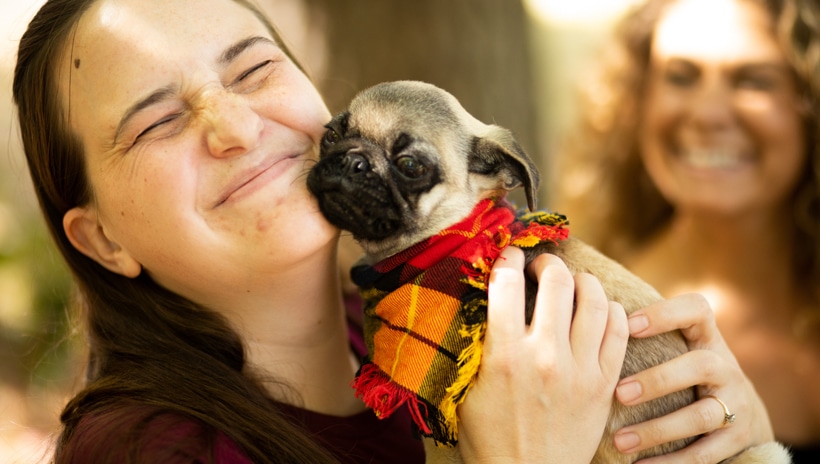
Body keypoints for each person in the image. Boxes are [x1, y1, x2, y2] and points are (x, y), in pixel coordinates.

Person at [12, 0, 777, 462]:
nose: (236, 125)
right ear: (102, 239)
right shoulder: (148, 452)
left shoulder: (407, 333)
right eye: (158, 121)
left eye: (252, 70)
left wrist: (739, 435)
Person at [555, 0, 820, 460]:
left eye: (753, 80)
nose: (707, 113)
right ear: (637, 99)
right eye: (680, 76)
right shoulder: (578, 314)